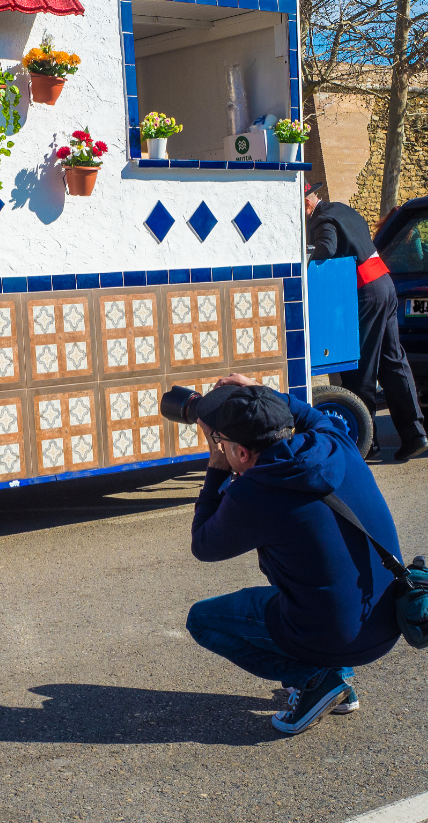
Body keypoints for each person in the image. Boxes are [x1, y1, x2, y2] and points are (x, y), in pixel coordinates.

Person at [186, 373, 404, 735]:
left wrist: (216, 466)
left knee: (202, 620)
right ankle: (336, 676)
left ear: (242, 453)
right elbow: (306, 413)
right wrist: (259, 394)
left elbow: (203, 545)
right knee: (310, 574)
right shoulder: (335, 441)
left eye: (222, 443)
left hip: (335, 634)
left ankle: (317, 679)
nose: (219, 447)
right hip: (385, 622)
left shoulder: (254, 494)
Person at [305, 181, 427, 460]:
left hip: (366, 293)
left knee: (361, 368)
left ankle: (367, 441)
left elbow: (326, 248)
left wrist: (305, 255)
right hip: (385, 285)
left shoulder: (322, 219)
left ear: (307, 204)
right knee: (393, 361)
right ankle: (415, 433)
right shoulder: (343, 209)